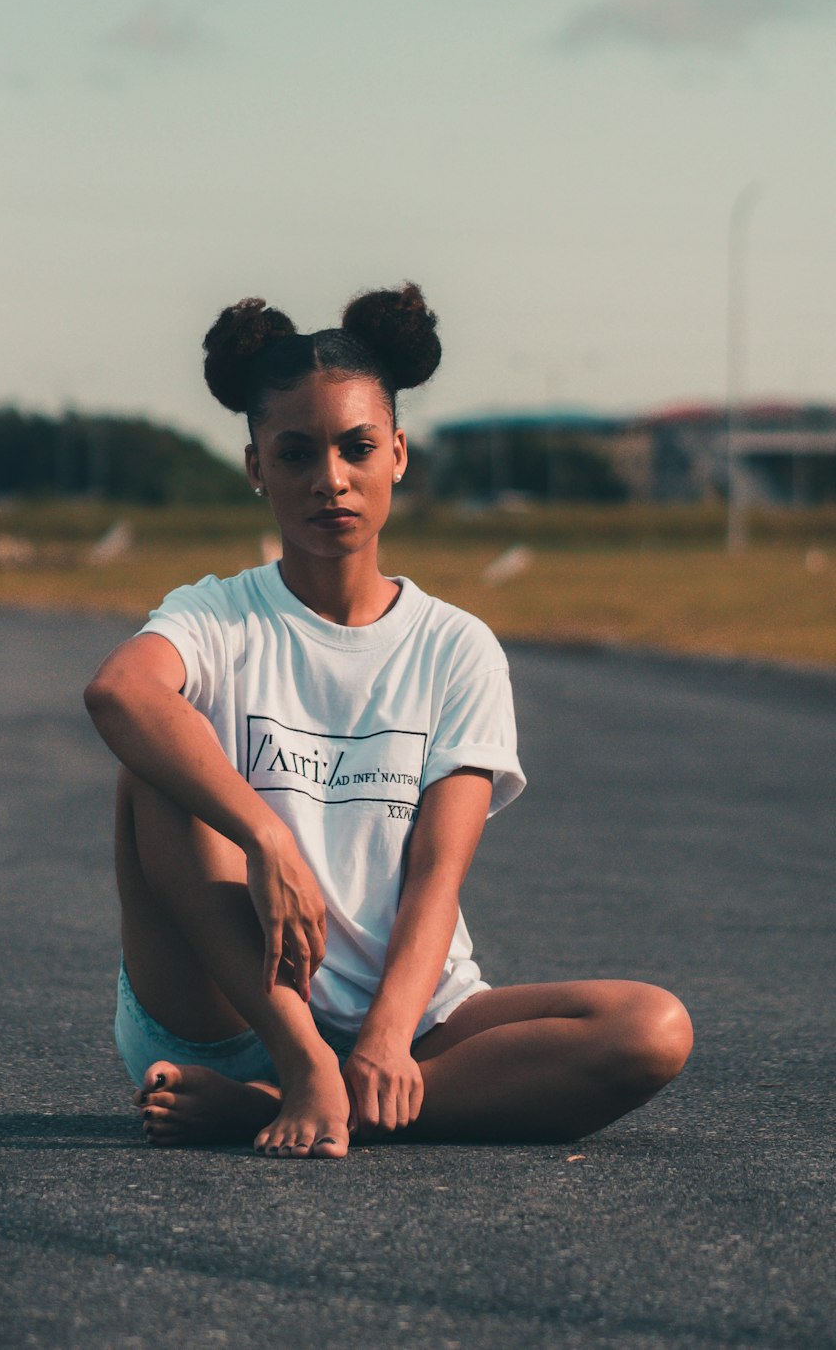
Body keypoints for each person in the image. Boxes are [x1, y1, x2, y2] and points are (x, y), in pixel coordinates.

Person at [84, 283, 693, 1159]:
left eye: (356, 448)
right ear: (257, 468)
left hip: (406, 1013)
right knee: (153, 754)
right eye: (295, 454)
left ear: (397, 455)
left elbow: (439, 877)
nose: (329, 479)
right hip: (230, 1008)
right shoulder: (218, 616)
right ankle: (297, 1067)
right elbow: (118, 692)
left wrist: (384, 1037)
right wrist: (267, 838)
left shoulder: (457, 647)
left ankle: (291, 1105)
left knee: (652, 1028)